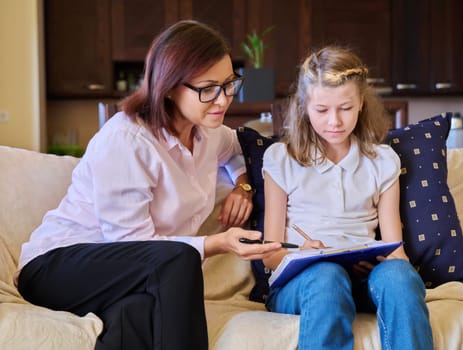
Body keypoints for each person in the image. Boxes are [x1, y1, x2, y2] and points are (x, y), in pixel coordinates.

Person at [15, 20, 281, 350]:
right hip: (56, 267)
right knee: (177, 259)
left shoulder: (208, 130)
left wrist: (243, 186)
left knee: (137, 313)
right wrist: (219, 243)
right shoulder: (127, 139)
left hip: (128, 276)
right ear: (169, 86)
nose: (223, 100)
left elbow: (237, 149)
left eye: (229, 84)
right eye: (207, 88)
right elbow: (132, 244)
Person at [262, 46, 434, 349]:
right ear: (304, 106)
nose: (335, 122)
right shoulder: (281, 159)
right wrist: (302, 254)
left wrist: (384, 260)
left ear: (361, 104)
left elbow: (396, 249)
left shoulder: (382, 161)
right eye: (322, 110)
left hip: (363, 280)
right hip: (304, 284)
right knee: (326, 276)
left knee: (399, 276)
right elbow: (269, 252)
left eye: (345, 108)